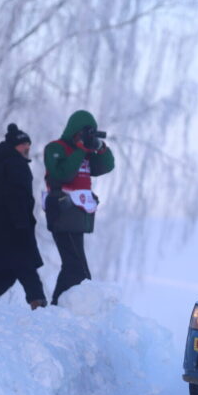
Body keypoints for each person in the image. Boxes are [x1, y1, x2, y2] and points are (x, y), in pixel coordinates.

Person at [0, 124, 46, 308]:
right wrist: (22, 225)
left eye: (28, 144)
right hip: (14, 226)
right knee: (26, 266)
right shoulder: (16, 165)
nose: (27, 148)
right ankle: (39, 304)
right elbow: (19, 197)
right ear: (14, 146)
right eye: (23, 145)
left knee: (6, 269)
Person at [43, 110, 114, 304]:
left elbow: (106, 166)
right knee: (78, 268)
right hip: (61, 212)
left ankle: (56, 306)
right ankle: (70, 305)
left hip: (77, 216)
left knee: (72, 265)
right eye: (84, 133)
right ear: (74, 131)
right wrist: (81, 149)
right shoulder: (56, 148)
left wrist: (100, 148)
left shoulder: (84, 153)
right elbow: (62, 174)